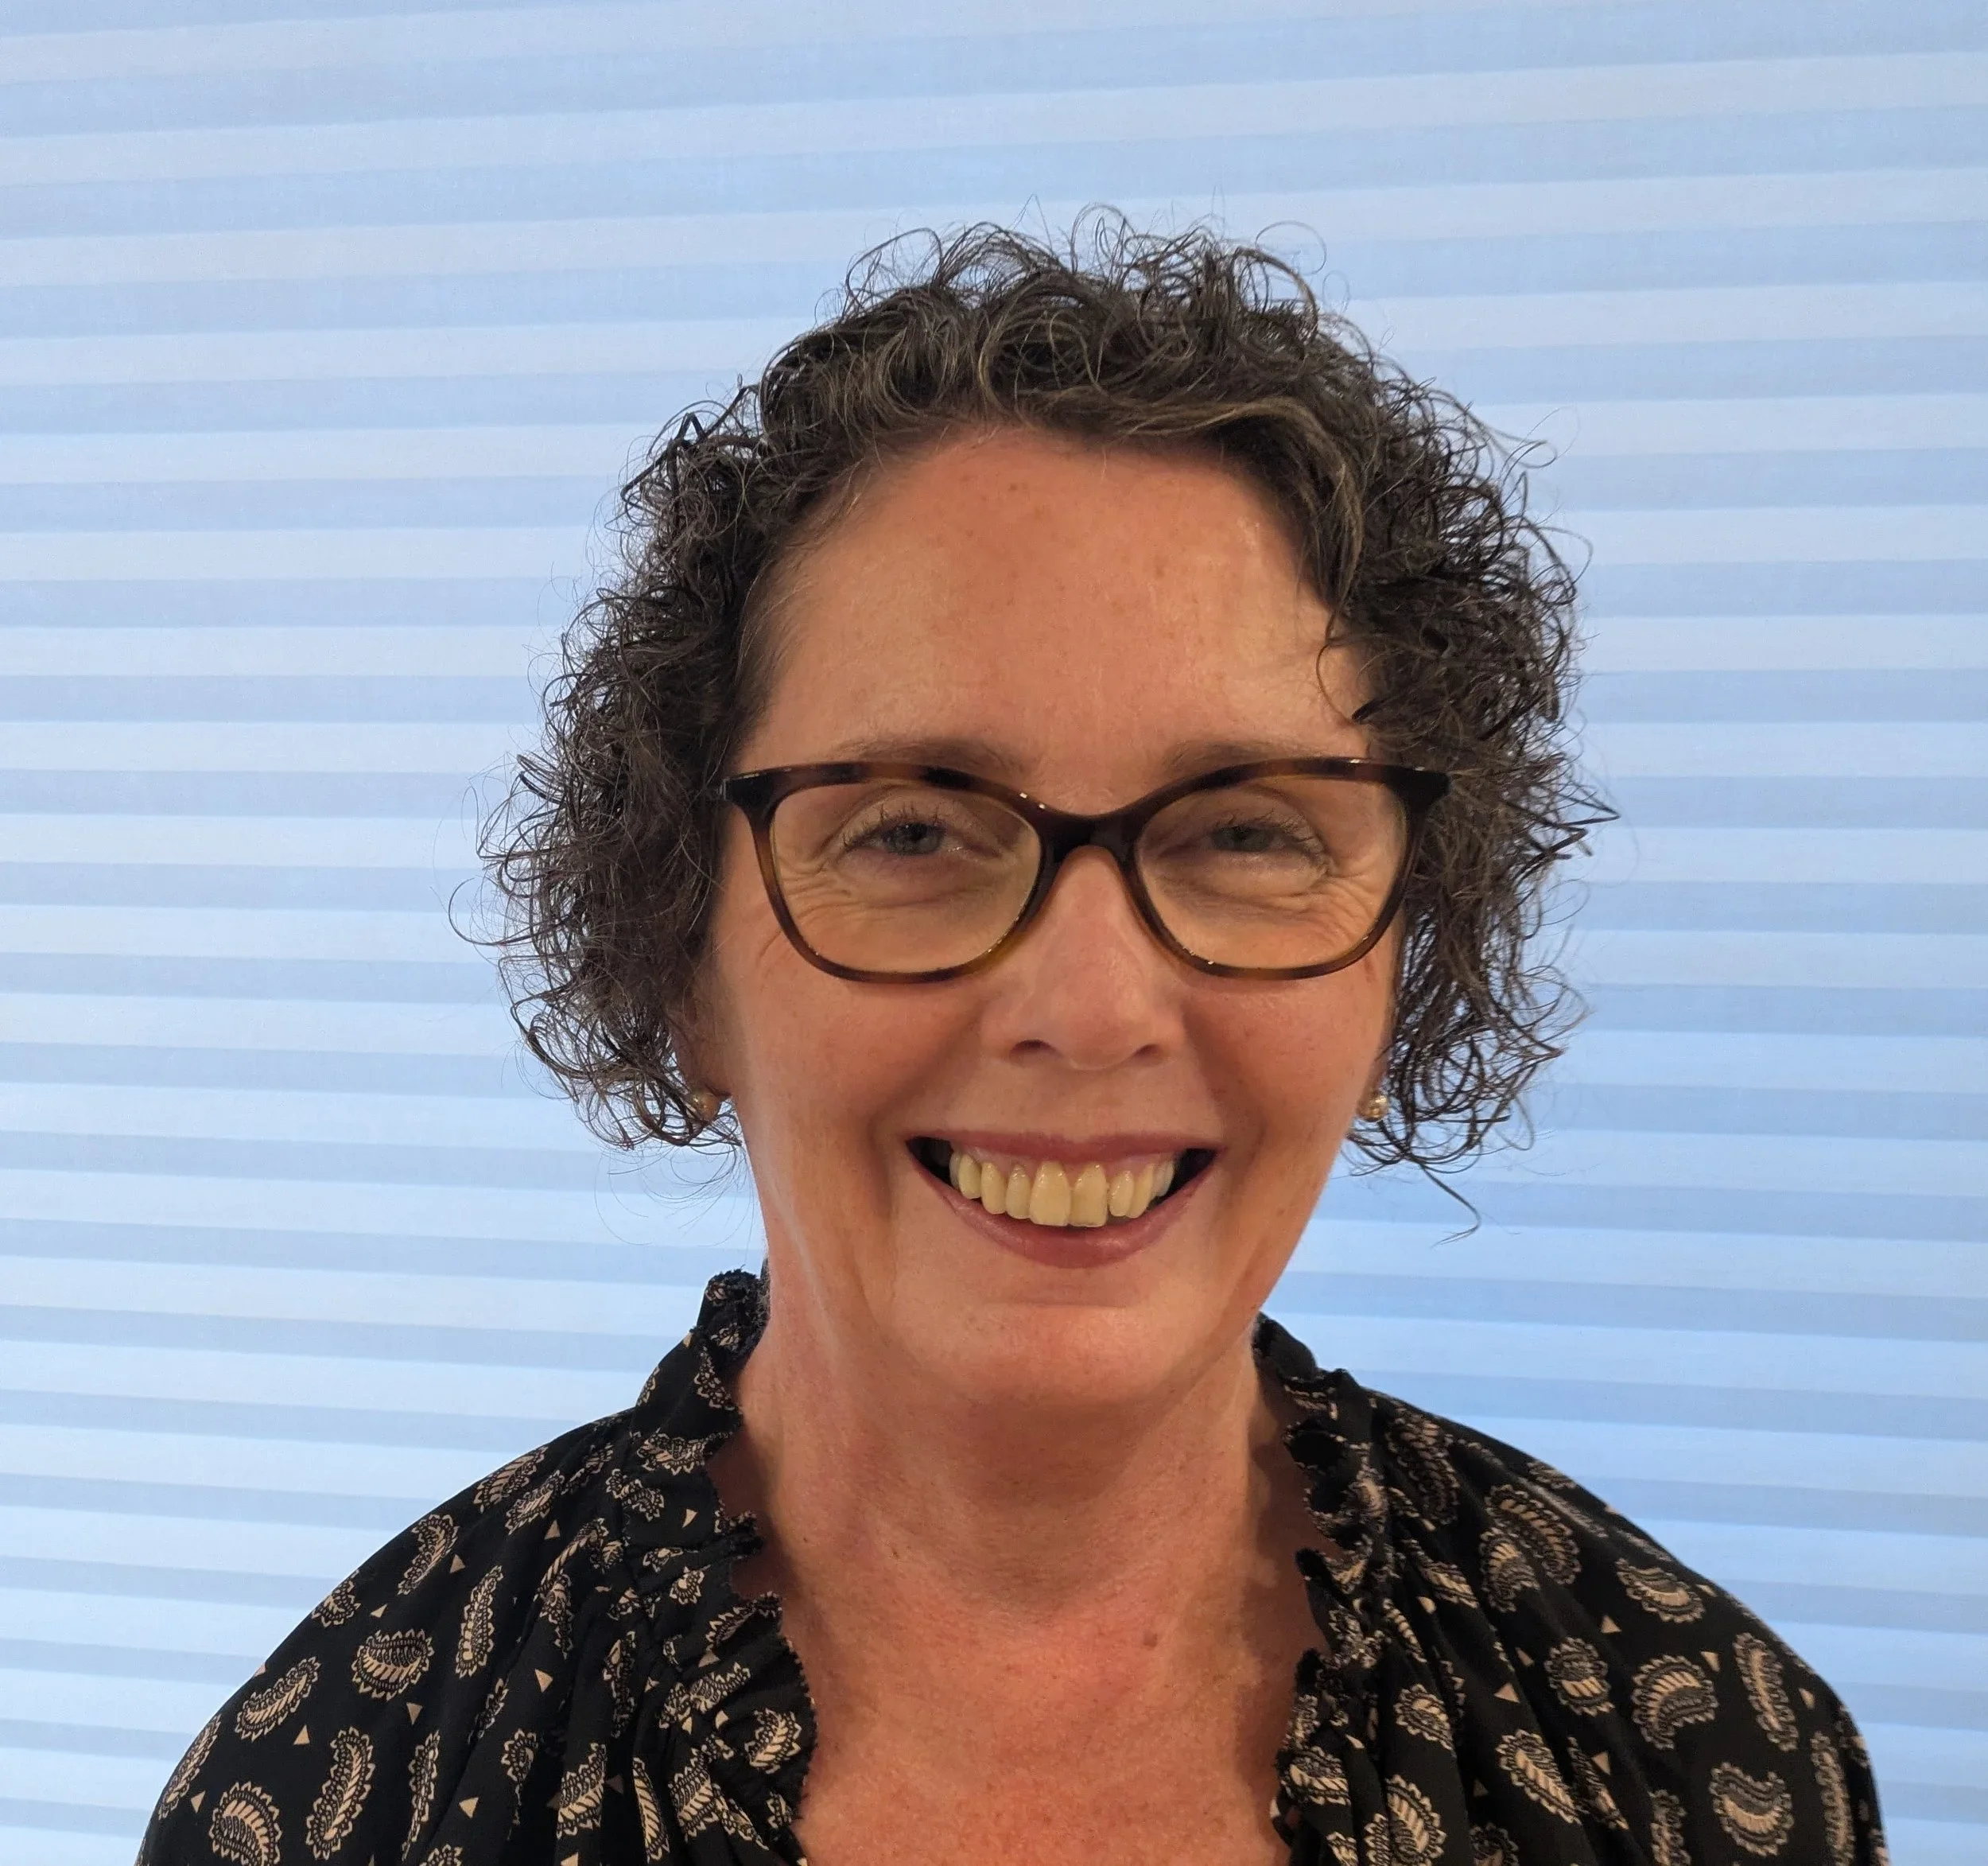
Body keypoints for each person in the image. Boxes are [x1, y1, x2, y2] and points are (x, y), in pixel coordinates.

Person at [138, 223, 1886, 1866]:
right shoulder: (341, 1791)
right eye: (907, 829)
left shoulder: (1692, 1754)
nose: (1090, 1008)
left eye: (1247, 831)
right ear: (681, 960)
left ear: (1399, 965)